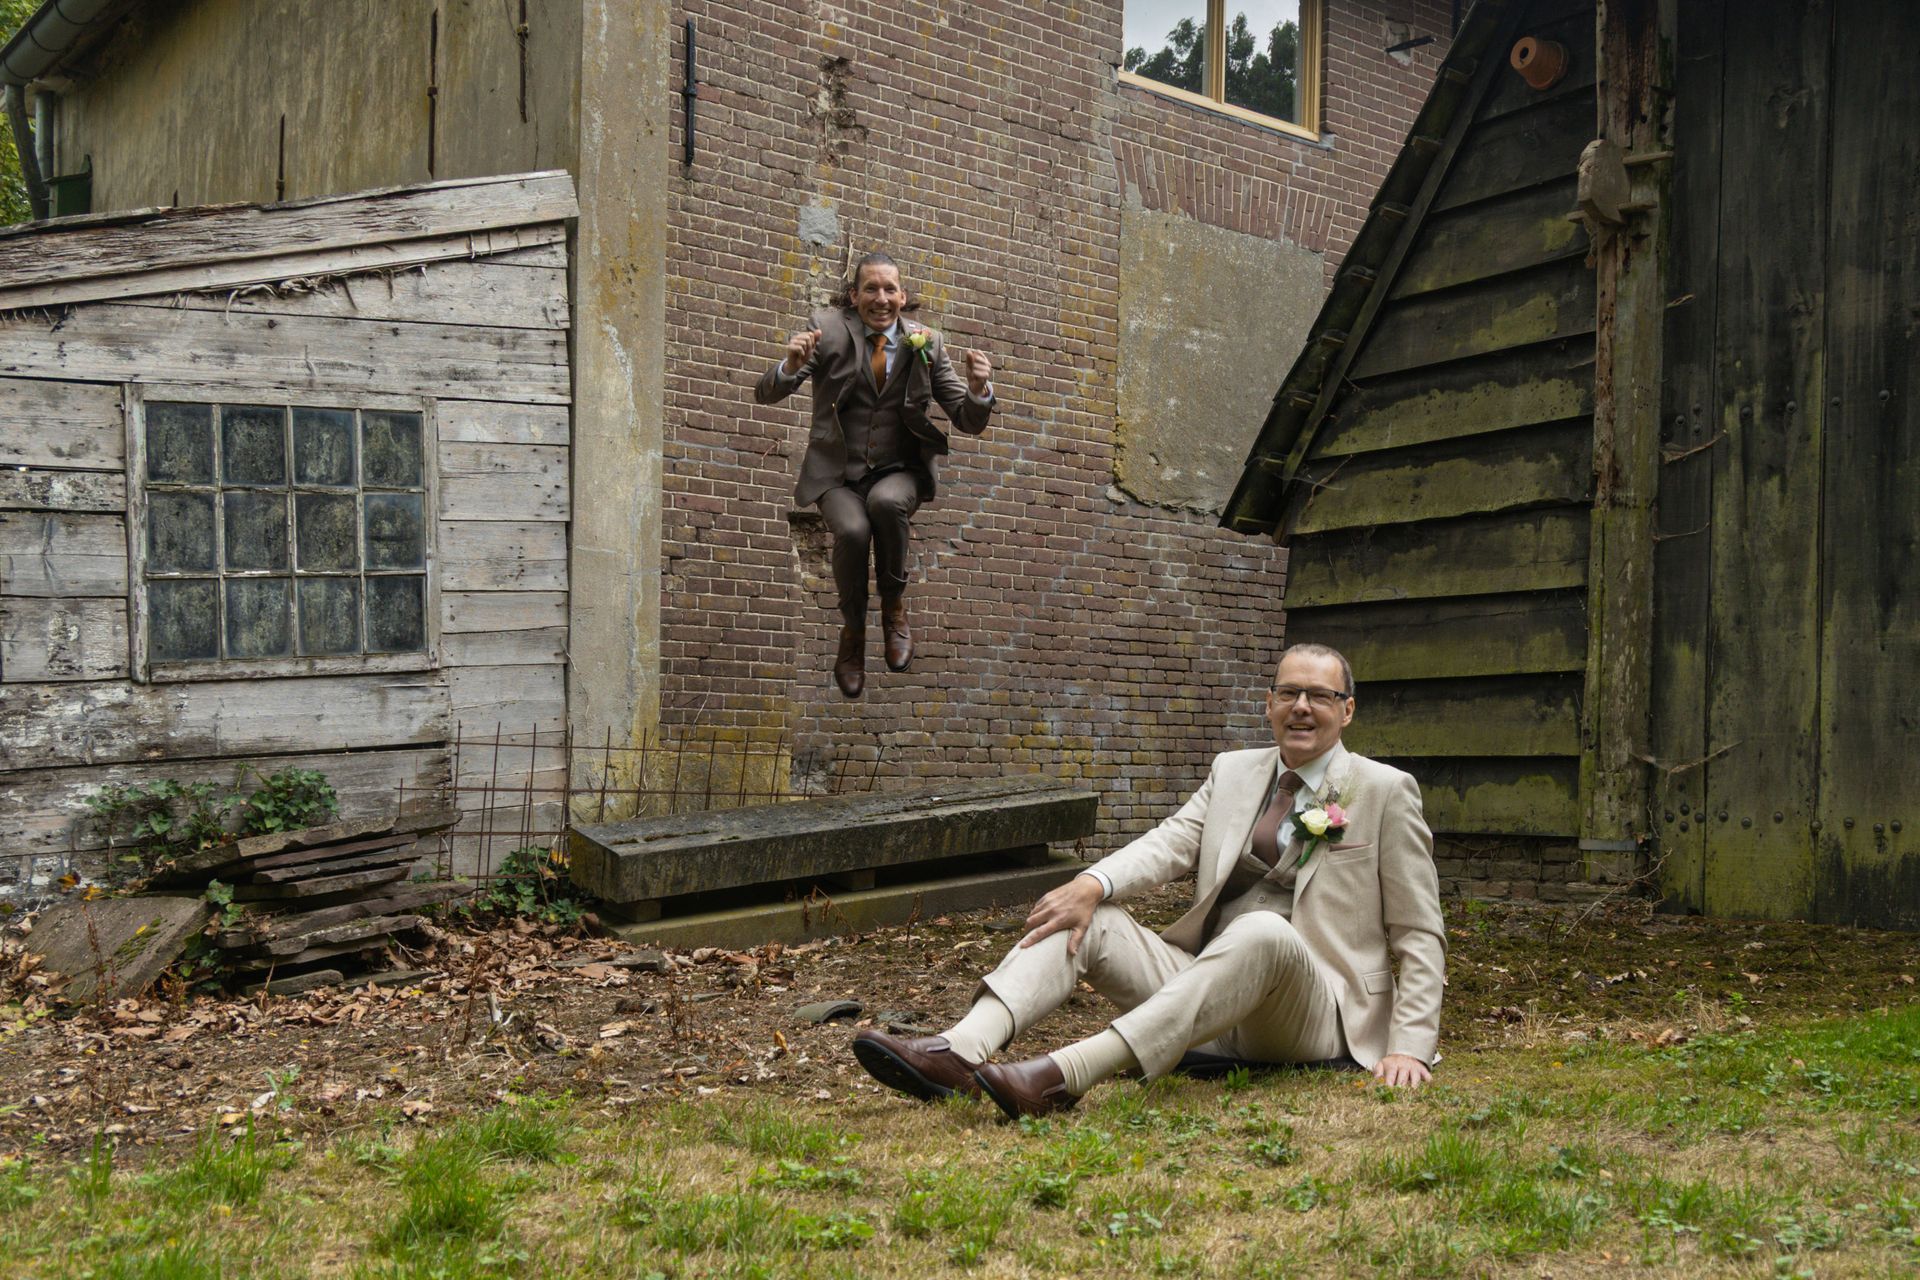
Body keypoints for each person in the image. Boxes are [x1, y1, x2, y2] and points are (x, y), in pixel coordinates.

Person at [851, 642, 1446, 1118]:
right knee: (1092, 917)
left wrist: (1409, 1047)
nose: (1301, 706)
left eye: (1320, 695)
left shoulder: (1385, 791)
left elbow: (1419, 932)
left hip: (1312, 1012)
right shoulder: (1233, 771)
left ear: (1347, 710)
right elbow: (1169, 842)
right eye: (1289, 692)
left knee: (1264, 929)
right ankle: (960, 1051)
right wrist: (1092, 883)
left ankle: (1064, 1076)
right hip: (1204, 991)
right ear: (1268, 703)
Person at [755, 253, 995, 698]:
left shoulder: (928, 343)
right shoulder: (827, 330)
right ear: (854, 295)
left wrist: (979, 391)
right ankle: (852, 633)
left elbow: (965, 417)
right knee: (851, 528)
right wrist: (789, 365)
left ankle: (894, 609)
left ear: (903, 296)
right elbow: (768, 392)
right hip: (837, 472)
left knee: (885, 504)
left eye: (890, 289)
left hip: (898, 469)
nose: (880, 298)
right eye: (871, 289)